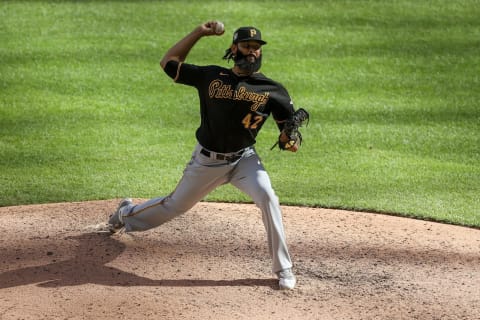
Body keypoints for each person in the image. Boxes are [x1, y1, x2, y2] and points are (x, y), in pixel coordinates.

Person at [108, 21, 306, 290]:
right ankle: (126, 214)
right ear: (233, 48)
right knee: (174, 206)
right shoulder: (211, 77)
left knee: (268, 197)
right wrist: (200, 32)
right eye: (247, 46)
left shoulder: (274, 91)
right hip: (207, 160)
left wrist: (288, 142)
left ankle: (284, 269)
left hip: (244, 160)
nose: (253, 52)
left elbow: (287, 137)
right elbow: (168, 62)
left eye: (257, 48)